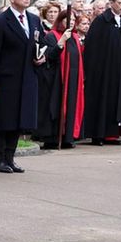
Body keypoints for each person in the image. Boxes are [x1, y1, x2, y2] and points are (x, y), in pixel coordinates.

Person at [0, 0, 42, 174]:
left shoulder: (33, 19)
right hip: (6, 79)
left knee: (18, 119)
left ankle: (10, 157)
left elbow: (37, 44)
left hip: (27, 76)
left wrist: (41, 57)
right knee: (4, 120)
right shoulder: (0, 21)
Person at [82, 0, 121, 145]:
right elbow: (93, 47)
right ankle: (98, 134)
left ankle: (112, 134)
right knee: (103, 100)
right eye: (120, 3)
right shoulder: (101, 21)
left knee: (116, 102)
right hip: (103, 71)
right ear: (111, 3)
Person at [38, 11, 85, 149]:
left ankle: (68, 137)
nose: (70, 23)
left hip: (73, 79)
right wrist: (61, 41)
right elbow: (49, 56)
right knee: (56, 108)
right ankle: (53, 138)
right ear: (61, 21)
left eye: (73, 21)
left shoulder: (75, 37)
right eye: (67, 20)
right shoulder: (52, 36)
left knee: (71, 107)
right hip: (56, 79)